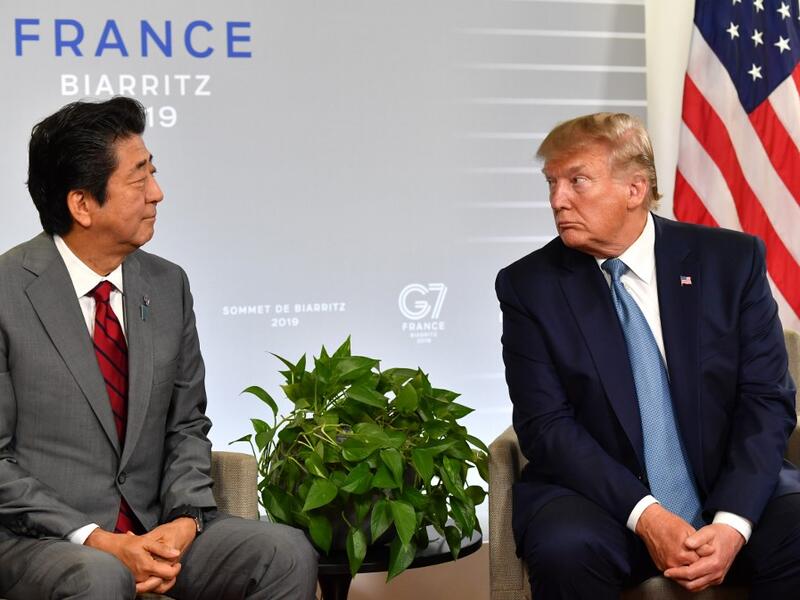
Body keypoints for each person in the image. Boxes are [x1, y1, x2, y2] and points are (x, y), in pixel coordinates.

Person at [0, 97, 317, 599]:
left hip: (155, 529)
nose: (158, 193)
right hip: (41, 542)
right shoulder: (7, 292)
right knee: (101, 576)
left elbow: (187, 424)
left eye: (154, 173)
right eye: (139, 179)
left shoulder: (168, 285)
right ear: (81, 204)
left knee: (284, 552)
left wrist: (186, 519)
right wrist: (98, 540)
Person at [496, 112, 800, 598]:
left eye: (577, 181)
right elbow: (546, 424)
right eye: (552, 183)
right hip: (601, 499)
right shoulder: (529, 286)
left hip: (727, 484)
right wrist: (648, 516)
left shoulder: (732, 262)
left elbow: (766, 401)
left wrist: (732, 523)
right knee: (564, 548)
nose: (557, 200)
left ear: (635, 189)